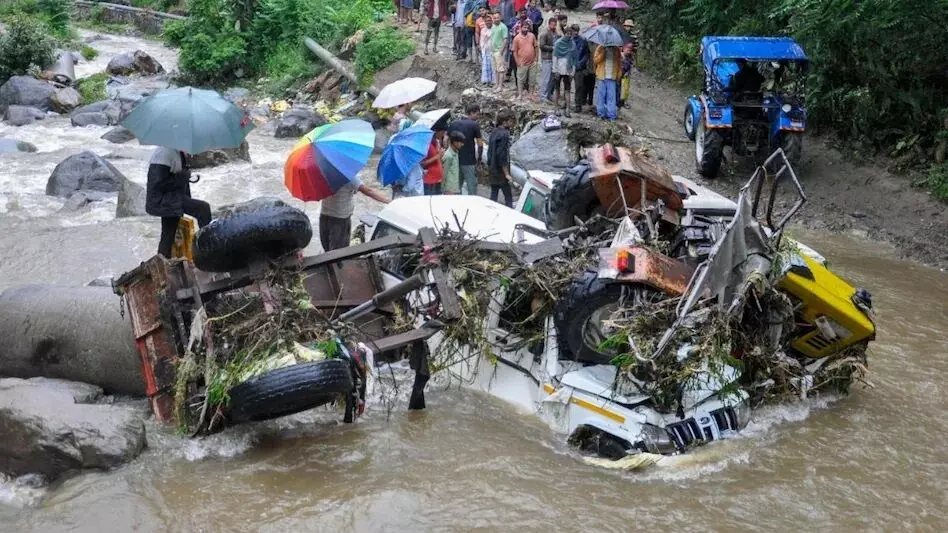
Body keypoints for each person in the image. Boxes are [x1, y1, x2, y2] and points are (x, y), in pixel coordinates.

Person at [146, 146, 211, 259]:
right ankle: (207, 250)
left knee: (168, 234)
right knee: (203, 209)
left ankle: (163, 262)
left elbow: (176, 179)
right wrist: (182, 177)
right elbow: (157, 185)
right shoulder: (163, 153)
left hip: (172, 198)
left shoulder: (178, 152)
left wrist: (184, 178)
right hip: (163, 200)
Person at [320, 179, 390, 251]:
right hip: (340, 219)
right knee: (339, 252)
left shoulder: (323, 173)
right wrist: (389, 201)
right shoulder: (348, 177)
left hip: (324, 216)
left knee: (327, 250)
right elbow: (368, 191)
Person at [447, 102, 483, 195]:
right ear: (471, 113)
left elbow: (446, 139)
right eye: (477, 114)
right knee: (472, 187)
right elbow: (480, 144)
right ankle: (471, 206)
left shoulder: (454, 123)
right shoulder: (474, 125)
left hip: (456, 159)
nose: (478, 116)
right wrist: (479, 159)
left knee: (457, 186)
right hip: (469, 161)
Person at [487, 110, 514, 207]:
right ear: (504, 122)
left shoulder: (494, 131)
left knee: (494, 194)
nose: (512, 123)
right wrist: (506, 174)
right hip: (500, 172)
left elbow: (491, 151)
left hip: (492, 168)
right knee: (508, 197)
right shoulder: (504, 134)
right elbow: (502, 155)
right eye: (511, 121)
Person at [551, 24, 577, 115]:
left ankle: (567, 110)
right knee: (557, 89)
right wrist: (555, 70)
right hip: (558, 69)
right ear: (564, 33)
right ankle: (555, 108)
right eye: (567, 33)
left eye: (570, 34)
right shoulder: (558, 43)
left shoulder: (573, 44)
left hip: (568, 70)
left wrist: (572, 72)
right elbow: (555, 58)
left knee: (567, 90)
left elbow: (574, 59)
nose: (569, 35)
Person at [512, 20, 538, 101]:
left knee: (532, 79)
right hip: (522, 62)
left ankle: (531, 94)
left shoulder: (532, 36)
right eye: (524, 27)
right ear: (521, 27)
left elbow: (536, 47)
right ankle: (520, 94)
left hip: (532, 62)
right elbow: (514, 52)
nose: (526, 29)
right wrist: (517, 62)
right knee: (520, 79)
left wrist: (536, 58)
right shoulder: (516, 38)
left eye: (527, 27)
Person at [593, 44, 621, 121]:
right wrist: (603, 53)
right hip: (602, 77)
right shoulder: (600, 47)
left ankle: (611, 116)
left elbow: (619, 62)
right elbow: (595, 61)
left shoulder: (616, 49)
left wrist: (619, 75)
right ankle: (601, 114)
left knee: (611, 97)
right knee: (601, 97)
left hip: (612, 77)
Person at [572, 24, 593, 112]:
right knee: (567, 86)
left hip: (580, 67)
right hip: (569, 66)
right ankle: (566, 104)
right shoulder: (568, 40)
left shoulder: (583, 40)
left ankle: (578, 105)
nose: (576, 33)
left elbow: (587, 54)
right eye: (574, 31)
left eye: (577, 31)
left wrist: (581, 63)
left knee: (579, 86)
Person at [538, 17, 559, 103]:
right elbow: (542, 46)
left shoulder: (555, 33)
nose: (554, 26)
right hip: (546, 58)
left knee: (551, 79)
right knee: (545, 78)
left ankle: (548, 95)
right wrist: (552, 48)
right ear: (549, 24)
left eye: (555, 25)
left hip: (553, 58)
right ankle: (543, 96)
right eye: (552, 25)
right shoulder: (544, 33)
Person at [490, 11, 509, 91]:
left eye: (497, 17)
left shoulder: (503, 27)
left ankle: (500, 86)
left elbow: (505, 39)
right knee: (496, 69)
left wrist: (501, 51)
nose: (496, 19)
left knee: (501, 69)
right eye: (494, 18)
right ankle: (497, 84)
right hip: (493, 50)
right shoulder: (493, 26)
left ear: (500, 17)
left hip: (499, 51)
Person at [479, 13, 496, 85]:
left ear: (492, 21)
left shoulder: (495, 29)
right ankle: (486, 80)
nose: (488, 22)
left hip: (493, 50)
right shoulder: (483, 30)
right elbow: (481, 40)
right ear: (485, 22)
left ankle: (494, 81)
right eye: (486, 21)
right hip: (486, 50)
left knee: (493, 66)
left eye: (489, 20)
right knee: (486, 66)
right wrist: (482, 48)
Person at [619, 42, 635, 108]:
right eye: (628, 49)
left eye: (630, 49)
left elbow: (631, 65)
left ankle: (623, 102)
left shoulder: (630, 57)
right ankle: (619, 102)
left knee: (625, 89)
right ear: (623, 48)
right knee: (619, 88)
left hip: (626, 75)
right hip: (620, 74)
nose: (629, 51)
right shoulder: (620, 56)